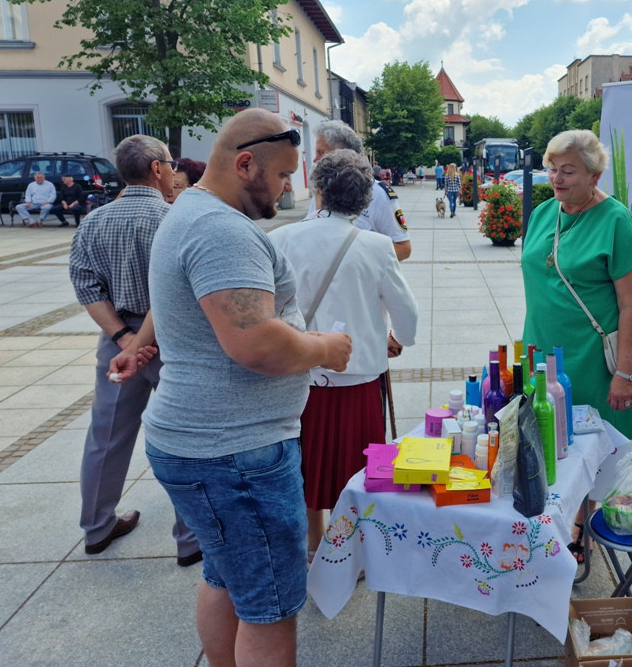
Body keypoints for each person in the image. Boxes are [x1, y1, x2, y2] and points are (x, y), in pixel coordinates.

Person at [112, 108, 351, 667]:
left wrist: (139, 341)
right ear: (246, 164)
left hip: (205, 445)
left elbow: (185, 299)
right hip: (235, 454)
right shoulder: (222, 230)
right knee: (270, 607)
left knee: (226, 578)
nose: (291, 187)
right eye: (286, 174)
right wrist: (324, 348)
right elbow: (256, 344)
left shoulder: (189, 210)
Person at [269, 150, 418, 555]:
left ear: (318, 191)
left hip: (298, 372)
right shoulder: (376, 245)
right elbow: (407, 315)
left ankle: (315, 542)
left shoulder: (279, 239)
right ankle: (350, 547)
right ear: (364, 199)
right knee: (358, 468)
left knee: (307, 464)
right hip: (359, 375)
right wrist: (397, 338)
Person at [68, 135, 199, 564]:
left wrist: (123, 339)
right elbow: (181, 290)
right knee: (186, 437)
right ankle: (190, 538)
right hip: (170, 342)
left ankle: (96, 527)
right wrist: (142, 340)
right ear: (158, 168)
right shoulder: (173, 219)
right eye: (170, 163)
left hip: (117, 340)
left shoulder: (93, 220)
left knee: (106, 436)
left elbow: (85, 284)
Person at [521, 130, 632, 562]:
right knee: (543, 440)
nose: (556, 177)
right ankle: (546, 521)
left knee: (591, 452)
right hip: (542, 352)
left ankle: (580, 528)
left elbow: (631, 306)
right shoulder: (543, 214)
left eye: (568, 170)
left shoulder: (616, 221)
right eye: (551, 168)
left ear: (594, 174)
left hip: (593, 361)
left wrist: (624, 373)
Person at [309, 119, 411, 261]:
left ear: (343, 155)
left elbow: (403, 248)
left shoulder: (378, 194)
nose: (315, 159)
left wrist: (355, 261)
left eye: (321, 153)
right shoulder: (321, 191)